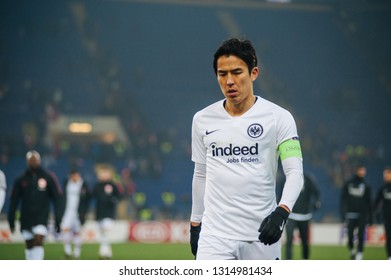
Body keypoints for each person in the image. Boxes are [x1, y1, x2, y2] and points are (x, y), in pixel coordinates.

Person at [190, 38, 304, 260]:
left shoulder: (279, 118)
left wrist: (282, 212)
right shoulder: (202, 120)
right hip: (214, 238)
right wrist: (196, 224)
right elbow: (200, 174)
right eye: (222, 74)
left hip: (262, 235)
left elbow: (295, 173)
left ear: (254, 73)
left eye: (237, 72)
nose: (229, 81)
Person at [7, 150, 63, 260]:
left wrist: (58, 218)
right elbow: (14, 201)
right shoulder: (20, 179)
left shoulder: (48, 177)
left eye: (35, 160)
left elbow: (57, 198)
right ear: (27, 162)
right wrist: (11, 220)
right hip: (26, 218)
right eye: (31, 160)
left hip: (41, 217)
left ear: (39, 161)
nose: (33, 162)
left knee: (38, 239)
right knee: (29, 244)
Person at [284, 173, 321, 260]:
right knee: (289, 241)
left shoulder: (308, 179)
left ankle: (305, 259)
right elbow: (281, 193)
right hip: (291, 215)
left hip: (305, 216)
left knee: (305, 241)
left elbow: (317, 193)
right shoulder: (288, 178)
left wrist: (317, 202)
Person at [340, 164, 372, 260]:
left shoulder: (366, 185)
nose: (363, 172)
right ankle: (352, 250)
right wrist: (343, 213)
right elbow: (343, 199)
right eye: (361, 170)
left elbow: (369, 202)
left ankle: (360, 253)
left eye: (364, 170)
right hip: (350, 213)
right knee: (350, 234)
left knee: (361, 234)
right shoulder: (348, 183)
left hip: (362, 214)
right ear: (357, 170)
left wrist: (370, 217)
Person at [60, 168, 90, 259]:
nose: (75, 177)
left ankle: (77, 252)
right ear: (71, 176)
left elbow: (87, 199)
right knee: (65, 229)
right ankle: (67, 250)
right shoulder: (66, 183)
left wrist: (84, 212)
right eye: (73, 175)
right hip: (67, 211)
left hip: (78, 213)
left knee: (77, 232)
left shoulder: (83, 184)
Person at [92, 166, 121, 259]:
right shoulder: (97, 186)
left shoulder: (113, 185)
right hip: (99, 213)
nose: (103, 175)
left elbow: (119, 196)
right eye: (102, 174)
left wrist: (114, 200)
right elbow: (92, 196)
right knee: (103, 234)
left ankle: (103, 251)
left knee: (105, 231)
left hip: (109, 213)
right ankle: (107, 253)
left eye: (105, 173)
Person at [373, 166, 391, 260]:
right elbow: (376, 202)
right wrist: (376, 214)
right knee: (388, 238)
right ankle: (389, 257)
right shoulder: (383, 188)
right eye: (385, 174)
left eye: (387, 174)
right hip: (387, 217)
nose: (385, 176)